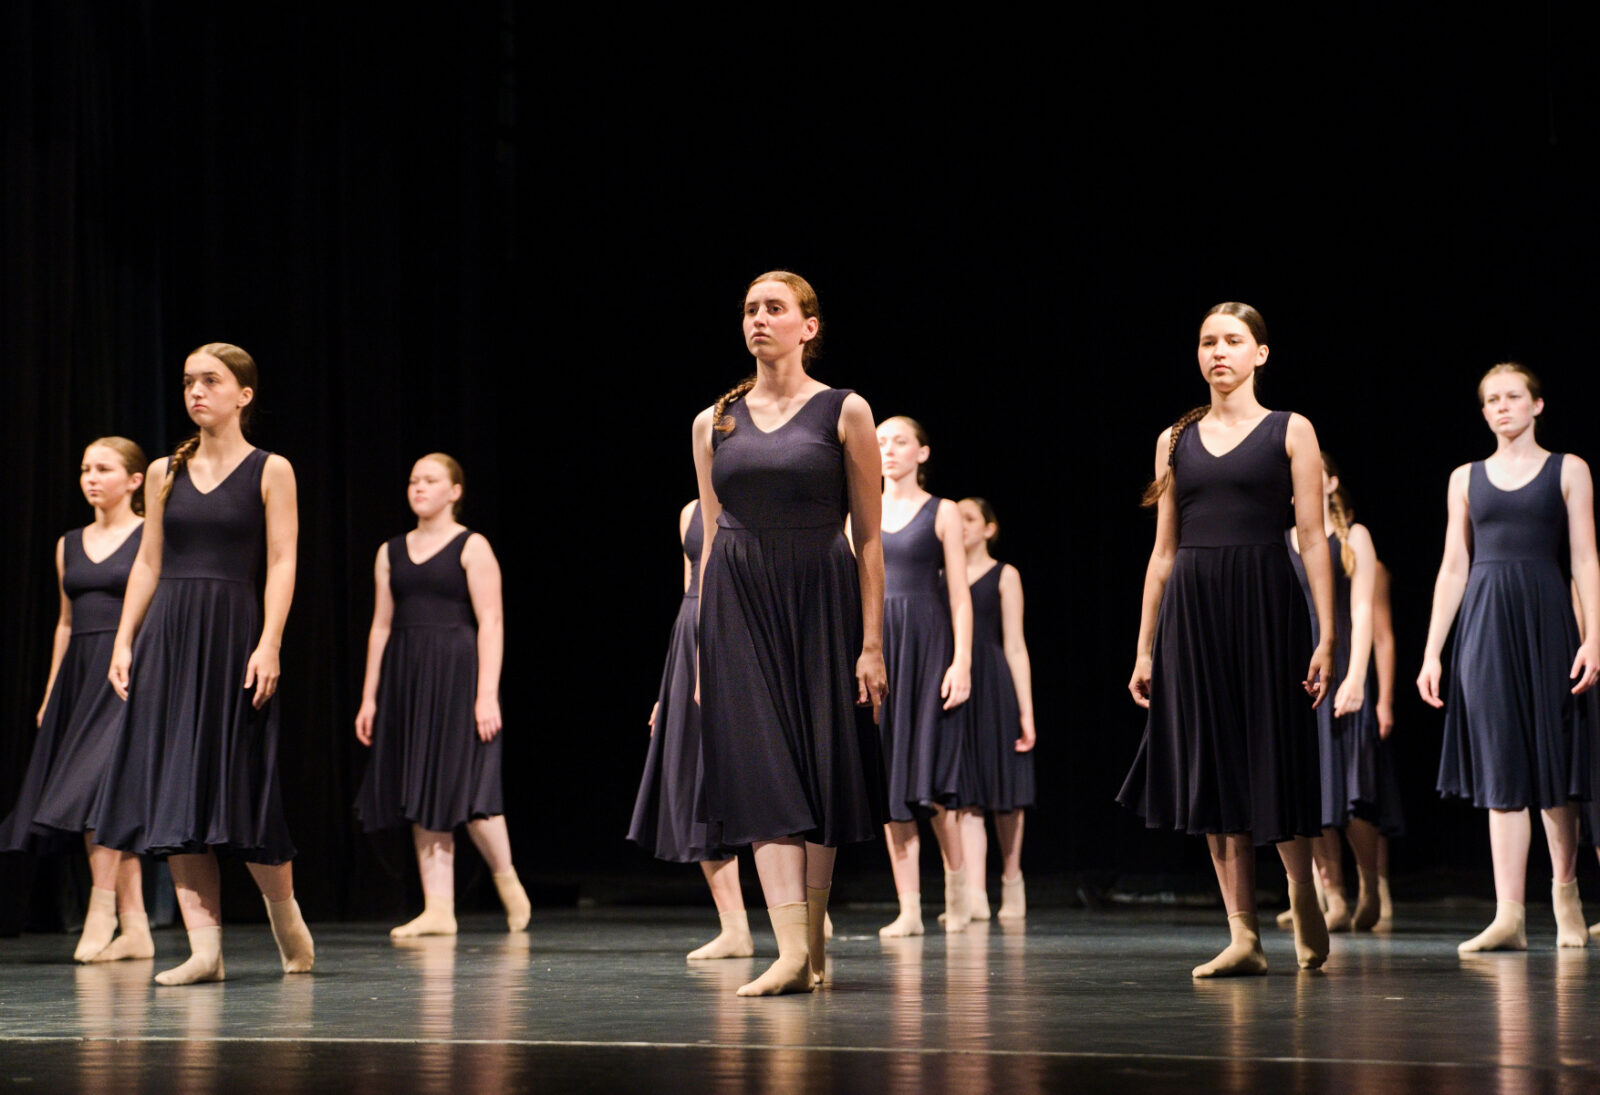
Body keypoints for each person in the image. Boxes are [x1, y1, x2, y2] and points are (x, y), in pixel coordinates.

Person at [1119, 302, 1334, 978]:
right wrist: (1145, 646)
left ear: (1259, 354)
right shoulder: (1175, 439)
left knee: (1273, 749)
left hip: (1266, 600)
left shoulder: (1290, 430)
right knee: (1210, 763)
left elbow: (1312, 537)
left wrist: (1327, 632)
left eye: (1233, 340)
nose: (1218, 351)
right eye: (1208, 341)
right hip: (1194, 606)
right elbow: (1163, 551)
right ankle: (1243, 933)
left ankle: (1300, 887)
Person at [692, 270, 887, 996]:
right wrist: (701, 651)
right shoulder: (715, 421)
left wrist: (871, 643)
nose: (759, 319)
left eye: (774, 308)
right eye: (750, 309)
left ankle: (809, 945)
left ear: (808, 326)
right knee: (761, 766)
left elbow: (869, 537)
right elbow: (709, 539)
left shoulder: (845, 410)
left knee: (820, 765)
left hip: (819, 597)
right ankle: (791, 949)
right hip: (737, 600)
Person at [95, 342, 314, 985]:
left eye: (210, 381)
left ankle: (286, 920)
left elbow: (282, 560)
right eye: (189, 380)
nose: (196, 391)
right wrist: (124, 639)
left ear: (243, 395)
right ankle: (205, 950)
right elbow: (148, 561)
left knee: (244, 786)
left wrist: (270, 641)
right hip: (170, 636)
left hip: (233, 635)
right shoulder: (164, 470)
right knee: (175, 791)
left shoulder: (271, 469)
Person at [1419, 363, 1597, 953]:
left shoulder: (1568, 469)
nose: (1502, 407)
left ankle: (1566, 898)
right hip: (1486, 623)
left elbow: (1585, 558)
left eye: (1512, 397)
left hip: (1547, 621)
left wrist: (1594, 636)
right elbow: (1453, 566)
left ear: (1536, 404)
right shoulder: (1464, 478)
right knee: (1501, 767)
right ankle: (1509, 915)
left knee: (1554, 766)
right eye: (1491, 399)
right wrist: (1432, 651)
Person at [354, 454, 530, 937]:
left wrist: (486, 693)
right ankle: (438, 908)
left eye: (430, 480)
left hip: (456, 674)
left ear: (454, 491)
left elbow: (492, 622)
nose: (419, 487)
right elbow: (380, 626)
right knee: (422, 785)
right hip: (406, 675)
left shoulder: (471, 546)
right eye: (414, 480)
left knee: (468, 789)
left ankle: (508, 882)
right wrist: (370, 697)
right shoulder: (390, 552)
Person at [0, 438, 151, 962]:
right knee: (92, 802)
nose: (91, 478)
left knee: (100, 792)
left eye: (104, 469)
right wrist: (51, 692)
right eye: (86, 468)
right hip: (78, 677)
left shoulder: (149, 536)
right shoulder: (69, 544)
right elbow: (65, 624)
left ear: (134, 480)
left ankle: (100, 910)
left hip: (126, 673)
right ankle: (135, 926)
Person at [627, 499, 751, 959]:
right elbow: (691, 590)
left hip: (745, 630)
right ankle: (734, 927)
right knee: (693, 781)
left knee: (764, 780)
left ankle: (806, 908)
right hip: (691, 637)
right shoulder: (689, 512)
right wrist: (673, 687)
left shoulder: (759, 494)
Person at [874, 416, 973, 936]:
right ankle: (908, 908)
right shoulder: (861, 512)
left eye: (899, 441)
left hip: (929, 647)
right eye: (880, 442)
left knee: (933, 785)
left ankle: (959, 894)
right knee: (891, 783)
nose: (888, 450)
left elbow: (960, 595)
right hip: (882, 650)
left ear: (923, 452)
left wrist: (962, 661)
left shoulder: (943, 511)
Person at [1281, 455, 1383, 932]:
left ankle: (1371, 885)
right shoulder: (1283, 540)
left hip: (1344, 667)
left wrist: (1357, 676)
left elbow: (1362, 611)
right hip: (1301, 674)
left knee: (1354, 792)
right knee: (1314, 792)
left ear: (1331, 482)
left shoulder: (1353, 537)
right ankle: (1333, 896)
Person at [952, 497, 1035, 921]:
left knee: (1005, 792)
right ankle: (974, 894)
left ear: (989, 528)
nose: (962, 525)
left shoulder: (1005, 575)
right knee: (965, 796)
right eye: (957, 518)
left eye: (970, 518)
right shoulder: (942, 575)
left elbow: (1016, 645)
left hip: (995, 684)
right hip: (958, 684)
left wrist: (1026, 710)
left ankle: (1012, 880)